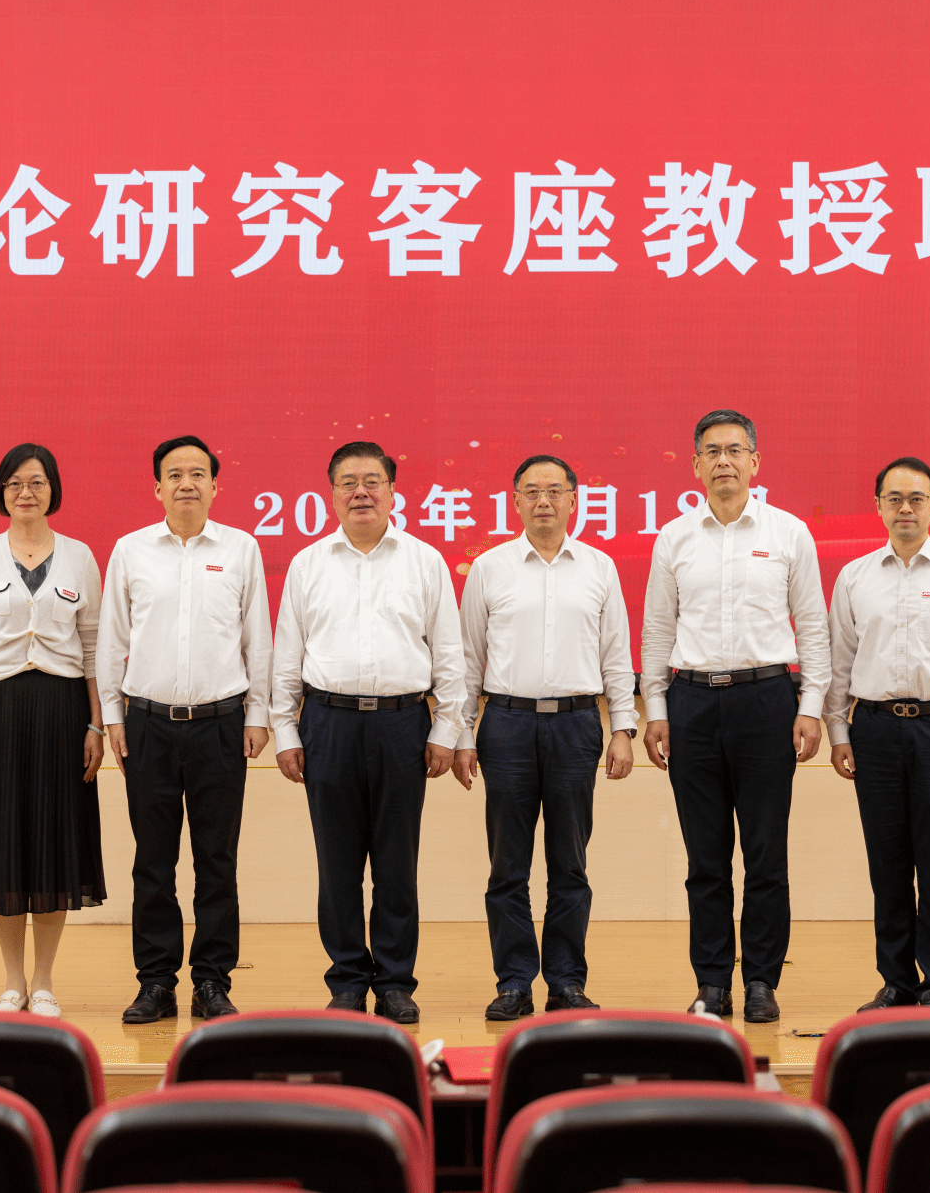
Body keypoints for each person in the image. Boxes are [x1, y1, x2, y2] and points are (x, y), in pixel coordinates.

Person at [639, 409, 831, 1023]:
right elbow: (657, 630)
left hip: (767, 700)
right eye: (712, 452)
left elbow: (814, 627)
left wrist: (810, 706)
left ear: (755, 461)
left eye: (735, 450)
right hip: (692, 703)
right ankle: (712, 981)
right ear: (695, 465)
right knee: (705, 858)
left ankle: (762, 982)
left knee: (766, 854)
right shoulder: (674, 538)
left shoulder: (789, 532)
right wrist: (656, 708)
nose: (724, 461)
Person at [270, 440, 469, 1023]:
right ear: (332, 494)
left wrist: (447, 727)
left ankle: (396, 982)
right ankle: (348, 980)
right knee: (336, 864)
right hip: (327, 723)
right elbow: (287, 656)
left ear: (392, 491)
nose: (361, 492)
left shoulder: (424, 562)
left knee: (396, 862)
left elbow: (449, 653)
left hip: (403, 724)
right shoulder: (308, 564)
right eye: (348, 482)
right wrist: (286, 730)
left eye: (372, 481)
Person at [99, 435, 272, 1024]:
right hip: (147, 725)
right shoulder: (130, 551)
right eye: (174, 474)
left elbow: (257, 640)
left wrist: (257, 713)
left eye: (198, 473)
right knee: (153, 863)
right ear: (157, 488)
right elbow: (112, 640)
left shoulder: (242, 549)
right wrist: (113, 715)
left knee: (216, 861)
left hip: (220, 725)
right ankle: (155, 982)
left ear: (215, 486)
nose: (186, 483)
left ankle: (212, 982)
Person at [460, 454, 639, 1020]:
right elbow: (467, 660)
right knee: (507, 867)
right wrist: (462, 732)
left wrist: (623, 729)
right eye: (532, 491)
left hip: (576, 725)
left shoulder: (599, 567)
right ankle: (514, 981)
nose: (544, 501)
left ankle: (566, 981)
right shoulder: (488, 568)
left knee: (570, 864)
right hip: (506, 725)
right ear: (515, 501)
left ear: (573, 500)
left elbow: (617, 655)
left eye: (555, 491)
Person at [826, 457, 930, 1010]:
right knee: (888, 864)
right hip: (873, 730)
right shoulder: (854, 576)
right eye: (894, 498)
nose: (905, 508)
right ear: (878, 505)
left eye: (916, 498)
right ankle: (897, 980)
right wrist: (838, 731)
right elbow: (838, 664)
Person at [0, 443, 106, 1018]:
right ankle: (12, 980)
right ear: (1, 492)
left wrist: (96, 723)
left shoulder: (80, 557)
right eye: (14, 483)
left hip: (62, 714)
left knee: (54, 843)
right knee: (4, 843)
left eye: (37, 482)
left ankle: (43, 981)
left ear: (53, 489)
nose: (26, 492)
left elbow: (93, 646)